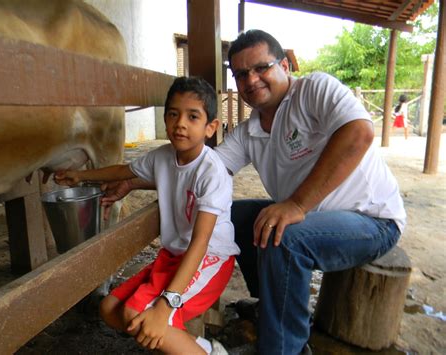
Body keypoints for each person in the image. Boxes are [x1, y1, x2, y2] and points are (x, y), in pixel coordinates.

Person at [100, 30, 406, 355]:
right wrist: (133, 180)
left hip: (372, 221)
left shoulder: (313, 89)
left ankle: (285, 349)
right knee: (236, 216)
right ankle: (272, 308)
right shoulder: (251, 131)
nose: (252, 79)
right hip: (312, 219)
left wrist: (297, 204)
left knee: (285, 237)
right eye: (242, 73)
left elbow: (359, 132)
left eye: (262, 67)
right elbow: (203, 168)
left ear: (285, 65)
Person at [55, 76, 239, 355]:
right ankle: (200, 347)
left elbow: (200, 243)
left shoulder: (212, 172)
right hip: (173, 257)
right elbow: (122, 172)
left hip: (209, 259)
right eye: (173, 114)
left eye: (193, 116)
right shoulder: (162, 156)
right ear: (164, 119)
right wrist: (80, 176)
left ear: (210, 127)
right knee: (109, 309)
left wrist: (167, 302)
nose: (181, 123)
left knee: (134, 314)